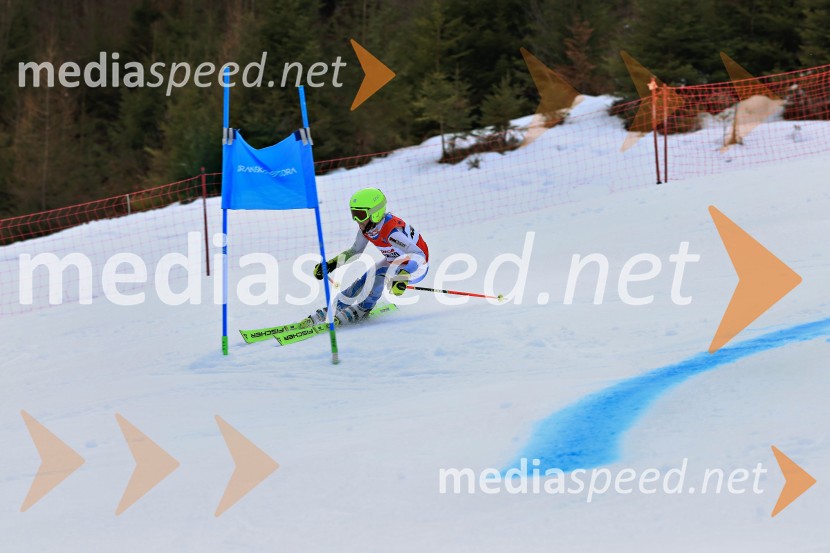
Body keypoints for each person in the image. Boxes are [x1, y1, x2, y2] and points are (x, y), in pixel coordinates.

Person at [310, 187, 429, 325]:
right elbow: (355, 251)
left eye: (360, 215)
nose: (356, 219)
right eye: (353, 213)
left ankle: (363, 309)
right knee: (364, 279)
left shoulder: (392, 233)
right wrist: (331, 264)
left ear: (375, 213)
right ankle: (338, 305)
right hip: (394, 261)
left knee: (379, 275)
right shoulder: (368, 228)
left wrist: (403, 276)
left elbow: (419, 255)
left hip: (416, 266)